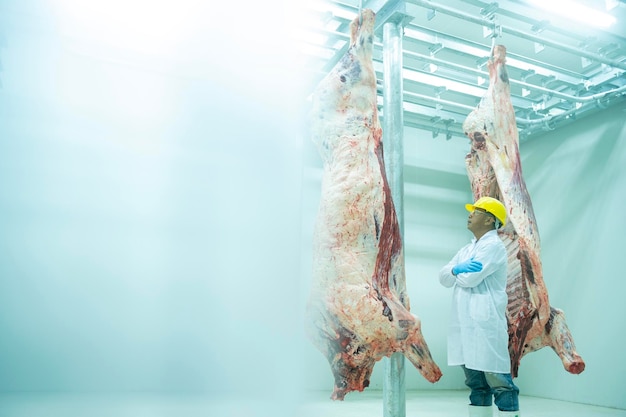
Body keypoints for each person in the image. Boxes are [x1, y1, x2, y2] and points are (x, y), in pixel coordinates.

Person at [439, 196, 520, 417]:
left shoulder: (493, 246)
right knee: (476, 383)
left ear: (489, 220)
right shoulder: (467, 249)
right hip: (465, 323)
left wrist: (456, 272)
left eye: (476, 211)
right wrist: (456, 270)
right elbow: (443, 276)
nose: (470, 214)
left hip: (485, 324)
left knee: (500, 382)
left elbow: (469, 280)